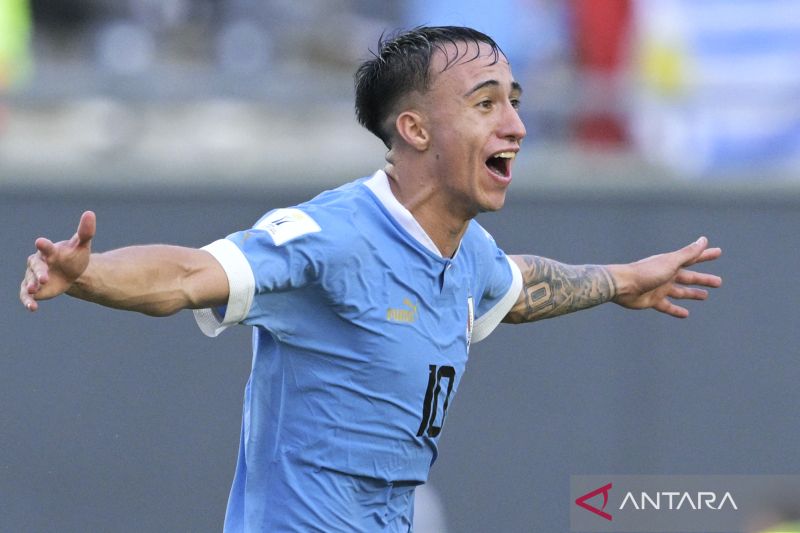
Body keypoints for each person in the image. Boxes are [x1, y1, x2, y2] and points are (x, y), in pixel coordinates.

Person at [19, 26, 722, 532]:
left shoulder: (467, 252)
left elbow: (519, 286)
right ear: (415, 128)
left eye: (515, 99)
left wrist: (622, 278)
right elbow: (188, 275)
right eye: (486, 104)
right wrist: (90, 274)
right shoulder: (333, 237)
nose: (516, 125)